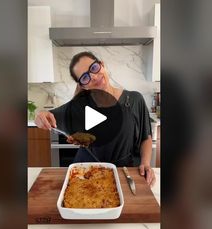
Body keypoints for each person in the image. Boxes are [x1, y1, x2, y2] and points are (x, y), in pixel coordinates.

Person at [35, 51, 155, 186]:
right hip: (87, 175)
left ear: (102, 65)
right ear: (83, 85)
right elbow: (45, 117)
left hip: (125, 174)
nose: (93, 76)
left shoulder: (134, 99)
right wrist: (39, 115)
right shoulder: (79, 106)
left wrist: (145, 163)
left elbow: (146, 137)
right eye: (85, 77)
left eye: (93, 68)